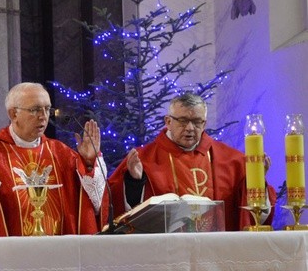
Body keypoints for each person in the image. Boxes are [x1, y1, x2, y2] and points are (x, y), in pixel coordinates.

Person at [0, 82, 107, 237]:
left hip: (58, 252)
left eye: (47, 109)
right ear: (13, 114)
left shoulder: (61, 154)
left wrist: (89, 162)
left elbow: (93, 204)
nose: (43, 116)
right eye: (35, 109)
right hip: (8, 258)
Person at [108, 93, 276, 230]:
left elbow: (254, 215)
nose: (189, 128)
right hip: (164, 253)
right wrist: (133, 183)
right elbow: (118, 212)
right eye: (182, 121)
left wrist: (257, 181)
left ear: (204, 124)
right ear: (168, 122)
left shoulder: (233, 161)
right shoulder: (142, 159)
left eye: (196, 122)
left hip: (217, 251)